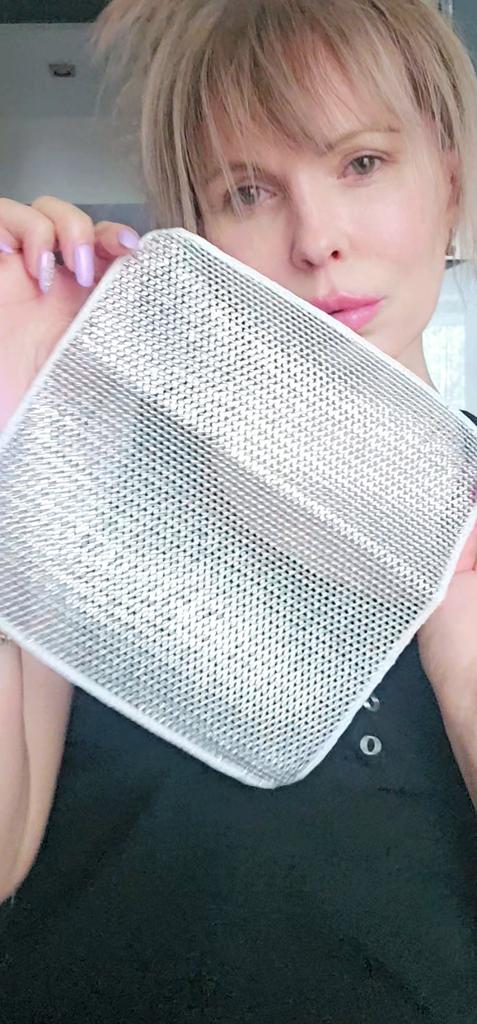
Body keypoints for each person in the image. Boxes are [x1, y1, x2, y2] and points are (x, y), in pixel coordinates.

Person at [0, 0, 476, 1020]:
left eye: (361, 163)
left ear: (449, 178)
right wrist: (14, 427)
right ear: (196, 234)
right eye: (248, 191)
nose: (317, 241)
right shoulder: (84, 478)